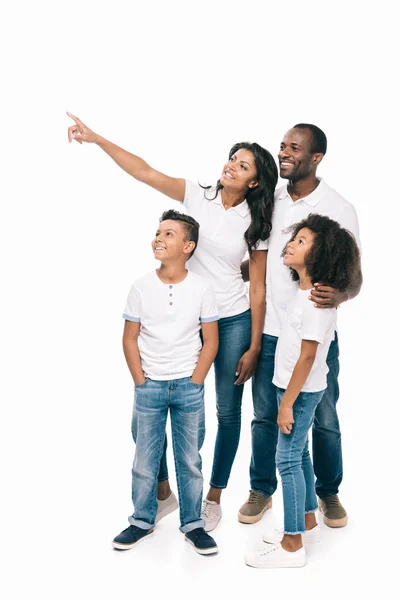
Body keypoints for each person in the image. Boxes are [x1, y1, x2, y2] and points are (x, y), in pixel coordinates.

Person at [67, 112, 278, 531]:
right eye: (231, 158)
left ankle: (211, 497)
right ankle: (164, 493)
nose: (230, 165)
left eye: (242, 164)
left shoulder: (256, 221)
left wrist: (254, 345)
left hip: (233, 320)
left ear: (254, 181)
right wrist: (96, 139)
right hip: (190, 318)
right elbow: (144, 171)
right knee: (158, 400)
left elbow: (257, 288)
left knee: (228, 411)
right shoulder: (198, 195)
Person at [238, 124, 362, 527]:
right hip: (271, 329)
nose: (285, 153)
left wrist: (340, 295)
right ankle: (262, 488)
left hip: (315, 335)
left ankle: (327, 493)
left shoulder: (339, 207)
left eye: (295, 148)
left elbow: (354, 276)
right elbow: (261, 257)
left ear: (317, 158)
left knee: (323, 418)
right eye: (283, 146)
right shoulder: (268, 200)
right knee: (264, 416)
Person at [245, 213, 360, 568]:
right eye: (294, 238)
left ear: (320, 256)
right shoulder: (305, 293)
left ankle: (292, 543)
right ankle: (308, 521)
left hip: (298, 393)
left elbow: (308, 358)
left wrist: (287, 405)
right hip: (290, 389)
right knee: (301, 454)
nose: (291, 243)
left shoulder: (317, 303)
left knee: (288, 460)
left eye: (302, 241)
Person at [112, 209, 220, 555]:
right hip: (151, 386)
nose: (159, 237)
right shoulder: (141, 286)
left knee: (189, 459)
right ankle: (142, 520)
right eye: (158, 232)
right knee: (144, 459)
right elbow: (130, 338)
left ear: (188, 246)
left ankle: (193, 524)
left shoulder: (202, 288)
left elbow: (211, 340)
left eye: (169, 234)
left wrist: (196, 379)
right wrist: (141, 381)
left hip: (188, 385)